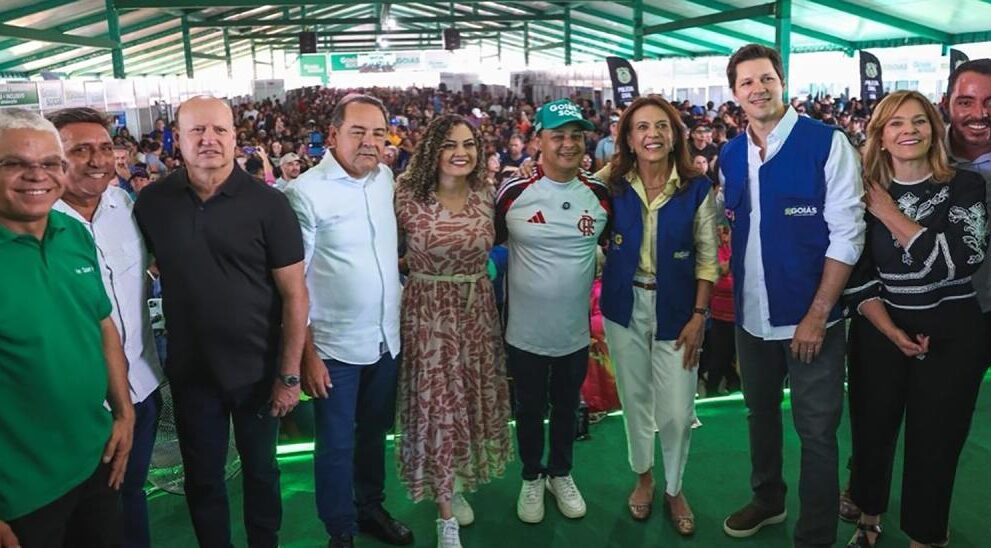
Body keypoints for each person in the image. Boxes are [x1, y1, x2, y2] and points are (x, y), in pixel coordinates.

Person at [133, 96, 309, 548]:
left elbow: (295, 295)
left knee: (262, 471)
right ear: (177, 138)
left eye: (219, 130)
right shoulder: (153, 202)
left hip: (258, 371)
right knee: (203, 477)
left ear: (234, 137)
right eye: (197, 130)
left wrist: (289, 375)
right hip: (192, 373)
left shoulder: (269, 204)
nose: (208, 139)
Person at [717, 44, 865, 547]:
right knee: (759, 414)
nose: (758, 89)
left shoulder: (827, 144)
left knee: (817, 432)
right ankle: (768, 500)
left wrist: (818, 314)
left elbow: (848, 235)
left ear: (782, 82)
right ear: (735, 93)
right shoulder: (730, 154)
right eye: (746, 82)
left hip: (812, 320)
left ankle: (816, 535)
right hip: (751, 317)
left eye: (766, 78)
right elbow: (731, 224)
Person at [843, 91, 988, 548]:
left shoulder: (965, 185)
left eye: (920, 121)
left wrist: (888, 213)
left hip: (954, 334)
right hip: (878, 328)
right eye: (896, 123)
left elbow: (960, 261)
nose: (909, 130)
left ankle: (926, 535)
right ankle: (868, 517)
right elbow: (857, 274)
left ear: (934, 129)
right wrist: (890, 330)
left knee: (937, 437)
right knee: (871, 427)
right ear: (880, 136)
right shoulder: (859, 191)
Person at [0, 108, 133, 547]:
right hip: (20, 493)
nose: (36, 175)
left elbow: (102, 324)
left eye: (49, 163)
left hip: (96, 460)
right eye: (15, 163)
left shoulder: (72, 235)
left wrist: (124, 412)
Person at [286, 94, 413, 548]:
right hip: (333, 348)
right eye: (358, 132)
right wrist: (308, 355)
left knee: (374, 435)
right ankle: (340, 530)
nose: (370, 142)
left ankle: (370, 508)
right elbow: (293, 283)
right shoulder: (306, 192)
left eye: (378, 133)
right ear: (333, 134)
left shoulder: (384, 179)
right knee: (336, 445)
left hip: (385, 339)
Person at [598, 95, 719, 535]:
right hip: (623, 306)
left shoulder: (697, 188)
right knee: (634, 400)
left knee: (677, 410)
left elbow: (708, 258)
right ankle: (645, 478)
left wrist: (699, 315)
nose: (653, 134)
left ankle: (674, 486)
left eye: (662, 126)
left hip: (679, 310)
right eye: (642, 127)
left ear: (674, 136)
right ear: (629, 139)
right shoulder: (610, 183)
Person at [47, 107, 165, 548]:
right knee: (88, 515)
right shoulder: (37, 223)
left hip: (143, 385)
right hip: (82, 405)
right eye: (80, 150)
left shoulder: (125, 207)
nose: (97, 160)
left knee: (130, 495)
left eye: (104, 147)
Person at [394, 114, 513, 548]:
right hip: (428, 315)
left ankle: (456, 482)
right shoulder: (404, 194)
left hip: (476, 313)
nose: (461, 152)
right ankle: (445, 514)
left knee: (465, 402)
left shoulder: (485, 193)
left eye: (469, 144)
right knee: (437, 407)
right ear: (432, 150)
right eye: (449, 144)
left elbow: (500, 247)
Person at [495, 98, 610, 525]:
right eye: (558, 135)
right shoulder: (514, 193)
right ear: (538, 141)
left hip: (573, 334)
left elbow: (616, 246)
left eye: (576, 136)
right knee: (528, 408)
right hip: (523, 333)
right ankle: (531, 475)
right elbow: (488, 242)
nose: (568, 144)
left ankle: (561, 472)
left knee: (566, 406)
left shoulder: (598, 195)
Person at [944, 59, 991, 348]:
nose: (980, 114)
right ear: (945, 103)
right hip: (939, 314)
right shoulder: (914, 153)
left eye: (990, 102)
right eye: (965, 102)